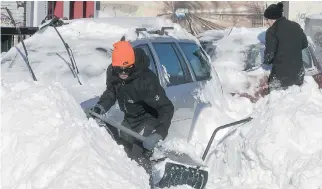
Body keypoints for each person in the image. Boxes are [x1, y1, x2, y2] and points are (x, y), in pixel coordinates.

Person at [90, 39, 174, 170]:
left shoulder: (146, 81)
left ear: (132, 64)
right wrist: (100, 107)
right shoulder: (113, 72)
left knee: (137, 158)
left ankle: (146, 181)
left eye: (127, 69)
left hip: (149, 117)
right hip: (130, 118)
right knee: (122, 154)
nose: (123, 73)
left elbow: (166, 107)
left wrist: (158, 133)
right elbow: (111, 92)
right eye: (119, 69)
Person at [263, 2, 308, 91]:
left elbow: (269, 57)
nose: (266, 22)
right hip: (298, 75)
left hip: (280, 78)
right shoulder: (296, 26)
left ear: (272, 19)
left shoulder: (272, 31)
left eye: (267, 19)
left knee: (276, 101)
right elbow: (304, 44)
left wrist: (266, 62)